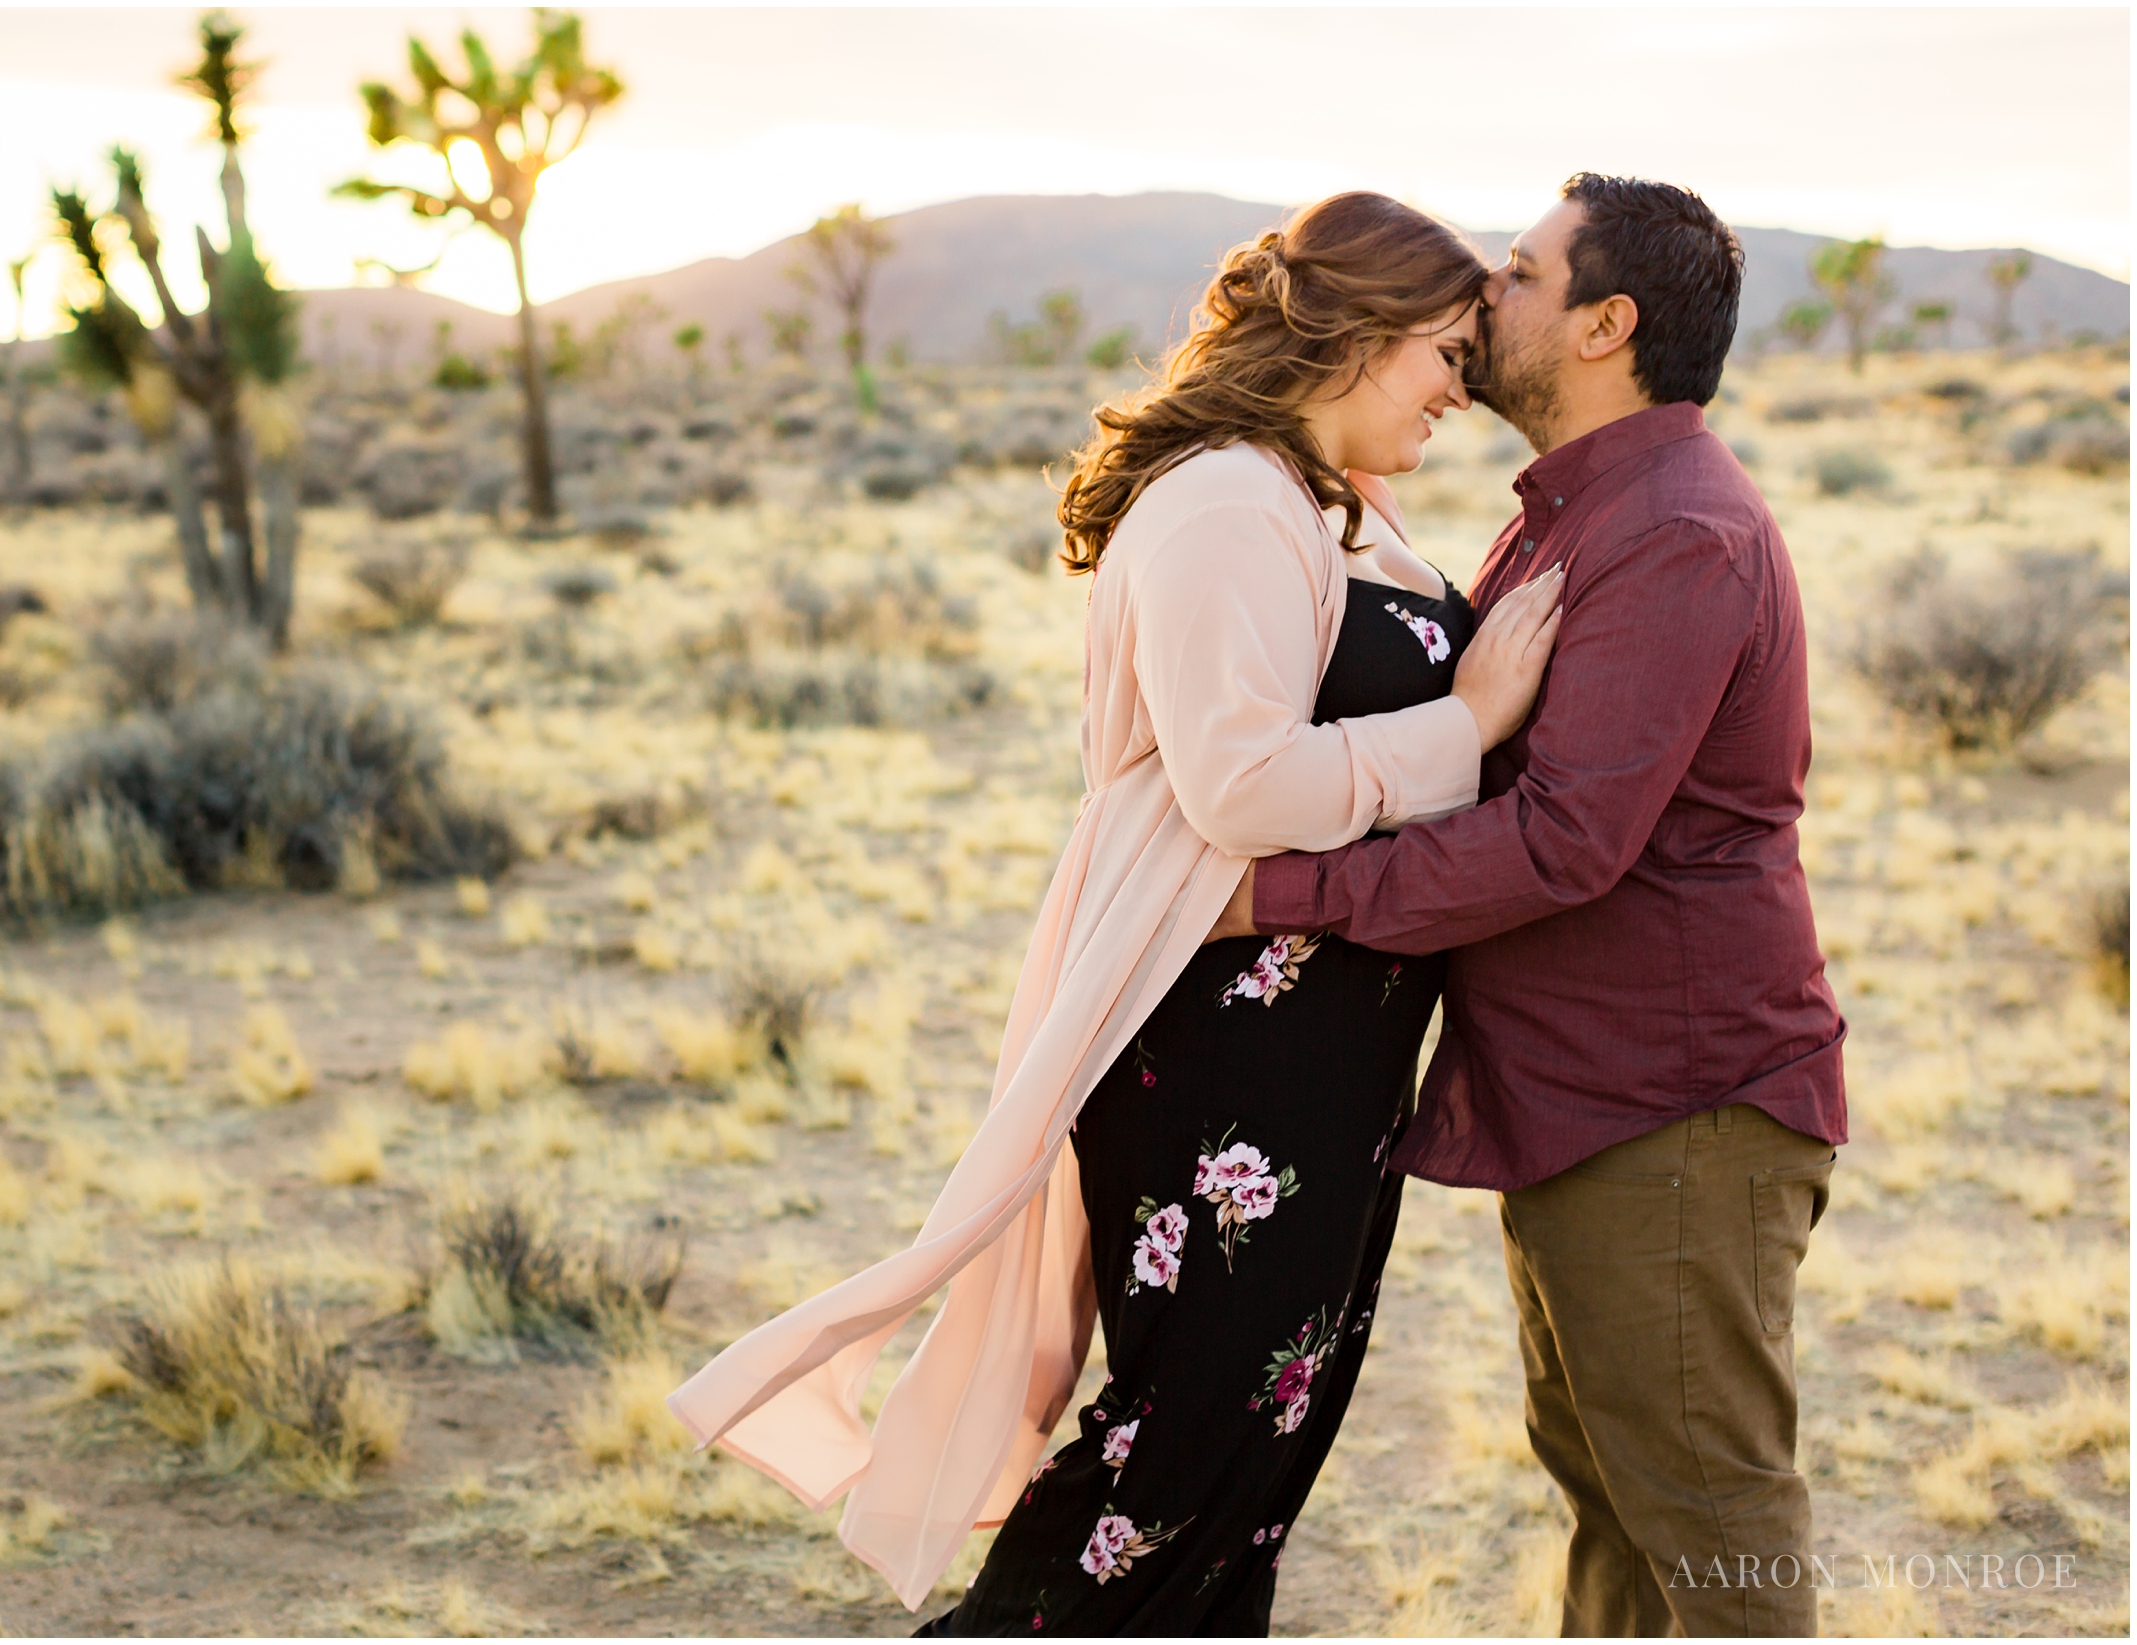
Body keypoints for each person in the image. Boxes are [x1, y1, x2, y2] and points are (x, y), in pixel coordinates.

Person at [665, 191, 1561, 1635]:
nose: (1463, 388)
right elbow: (1245, 783)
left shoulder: (1318, 501)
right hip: (1225, 1064)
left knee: (1255, 1455)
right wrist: (1467, 723)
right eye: (1446, 353)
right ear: (1360, 328)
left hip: (1319, 1067)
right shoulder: (1223, 498)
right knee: (1172, 1461)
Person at [1216, 173, 1848, 1637]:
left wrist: (1277, 894)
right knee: (1615, 1501)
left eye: (1517, 271)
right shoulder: (1578, 514)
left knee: (1706, 1515)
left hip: (1676, 1109)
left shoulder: (1676, 531)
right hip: (1585, 1095)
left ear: (1603, 326)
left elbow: (1564, 841)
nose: (1481, 294)